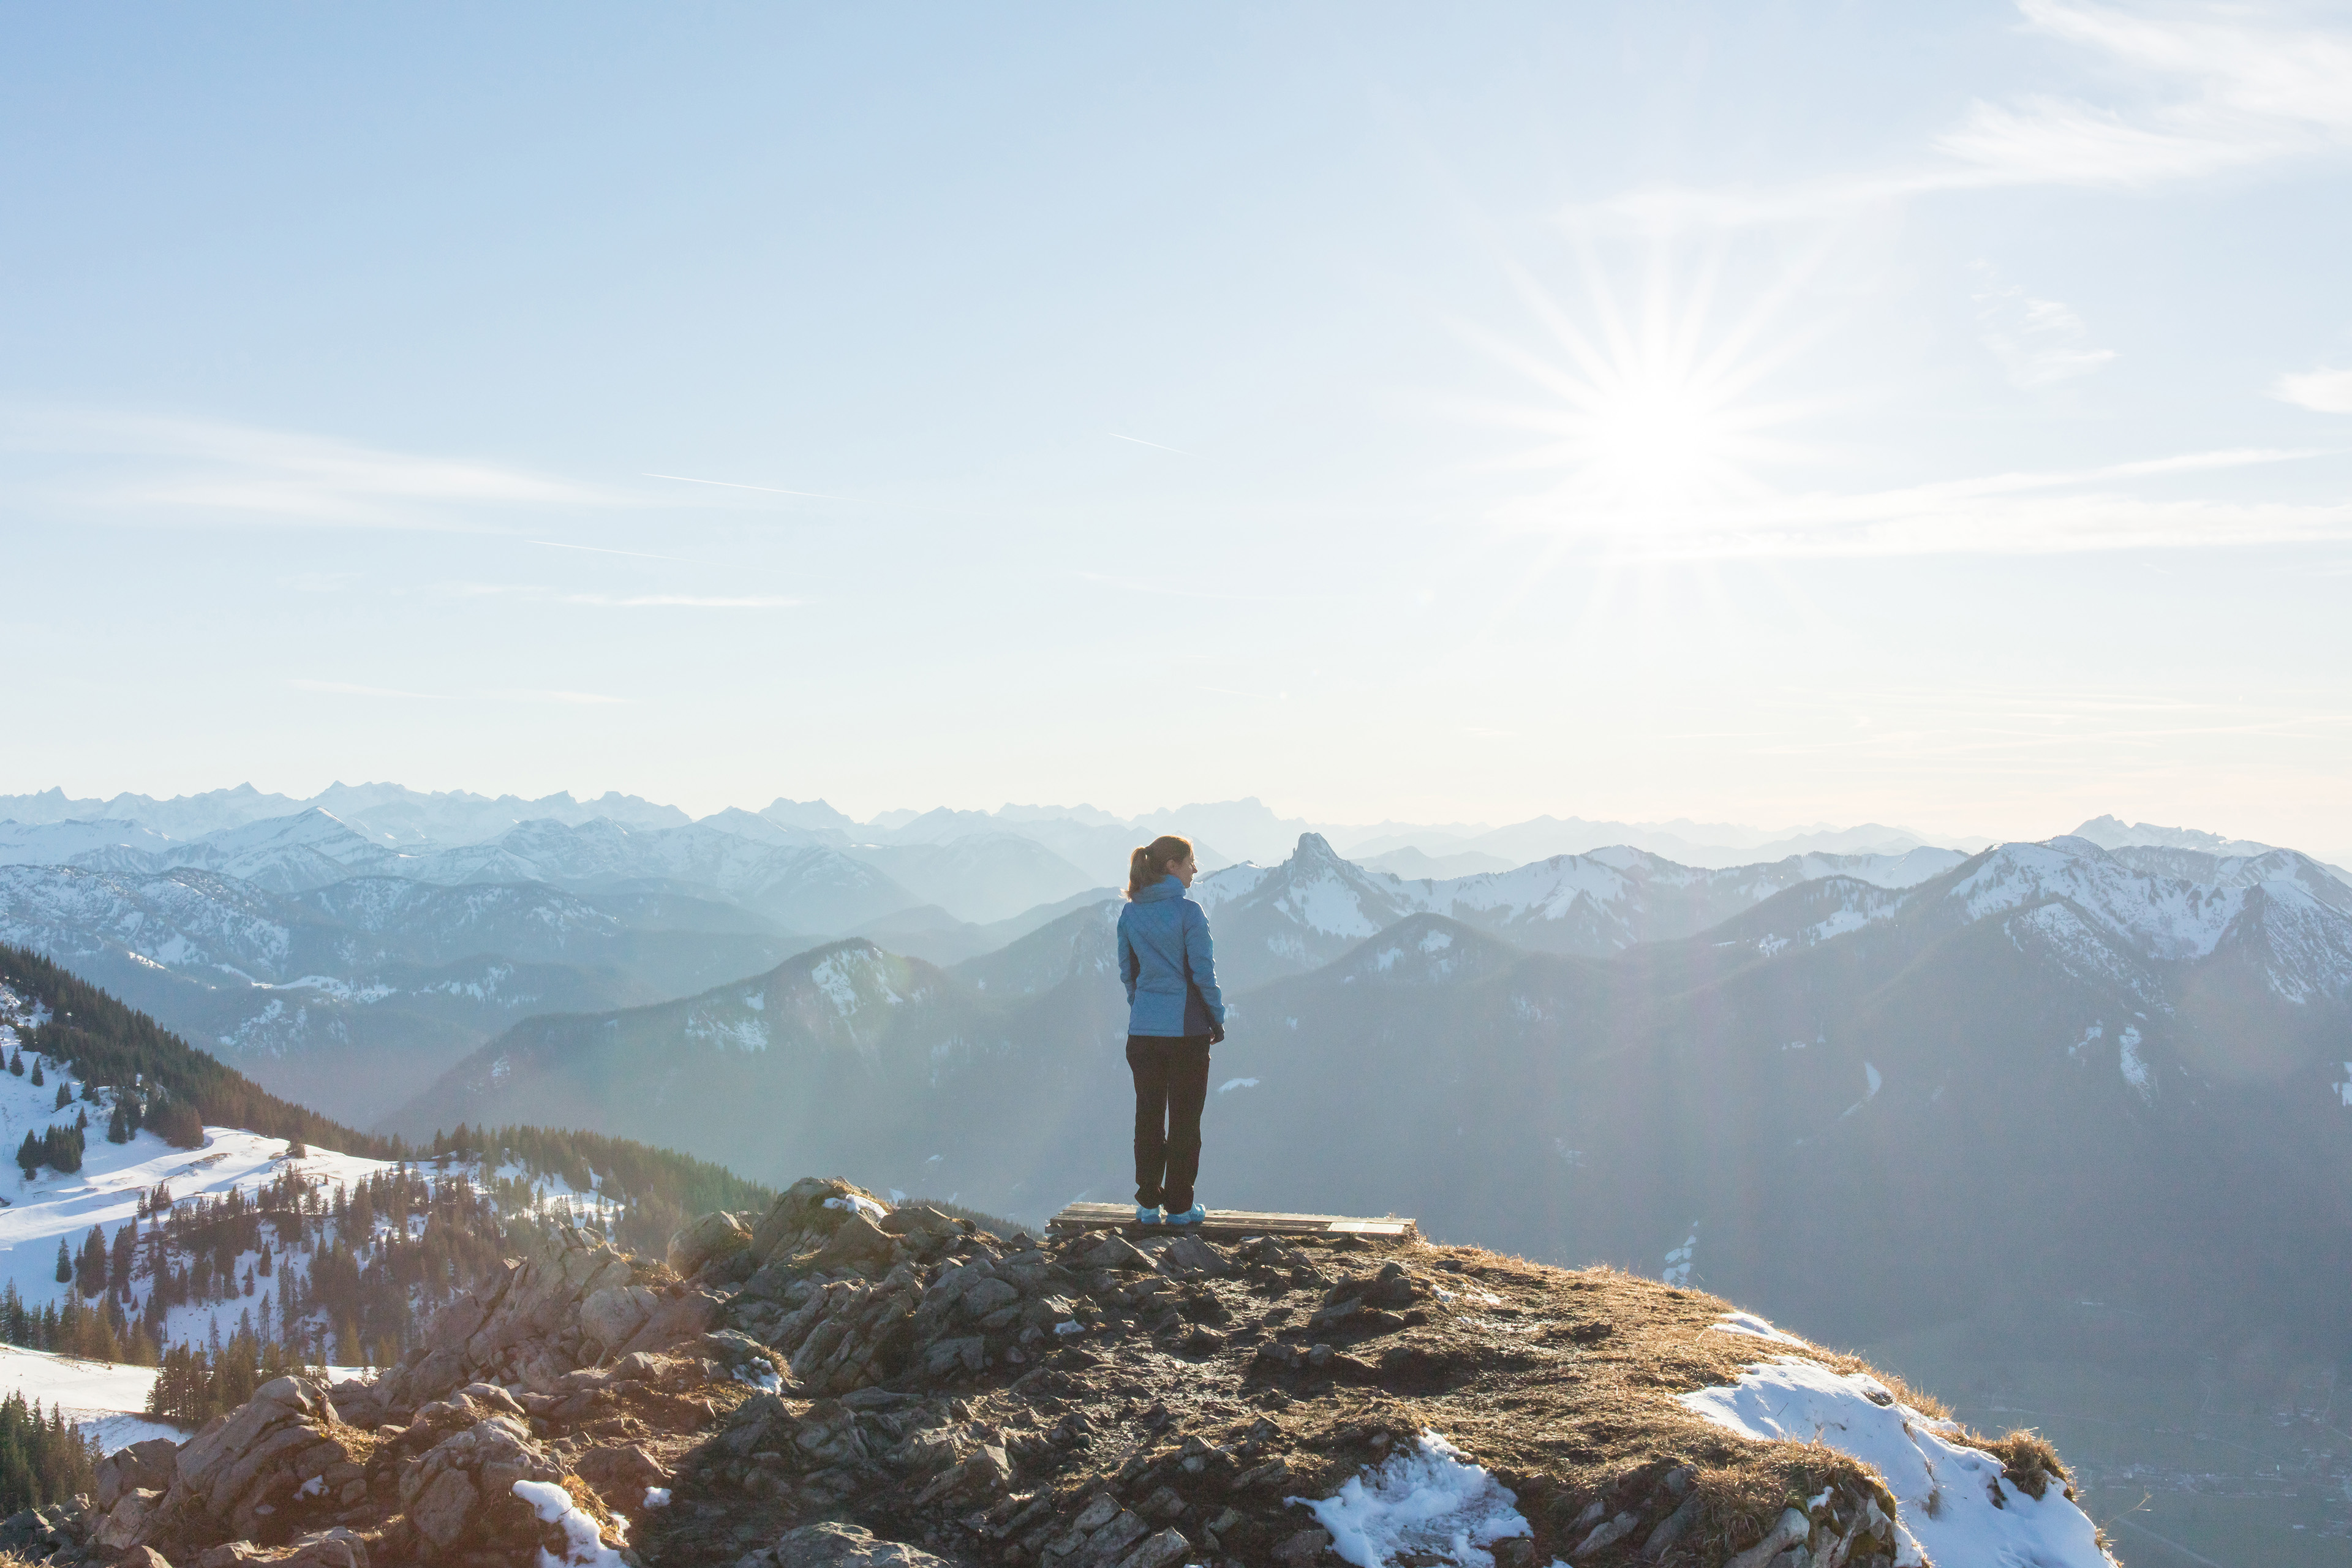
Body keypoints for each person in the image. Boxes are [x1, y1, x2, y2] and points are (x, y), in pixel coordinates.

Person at [1116, 833, 1226, 1227]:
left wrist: (1144, 1009)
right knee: (1184, 1120)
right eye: (1190, 861)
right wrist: (1216, 1018)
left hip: (1142, 1032)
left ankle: (1147, 1205)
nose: (1195, 869)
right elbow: (1203, 975)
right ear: (1171, 867)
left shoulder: (1130, 914)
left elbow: (1129, 974)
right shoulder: (1189, 913)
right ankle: (1179, 1208)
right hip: (1187, 1033)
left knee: (1148, 1116)